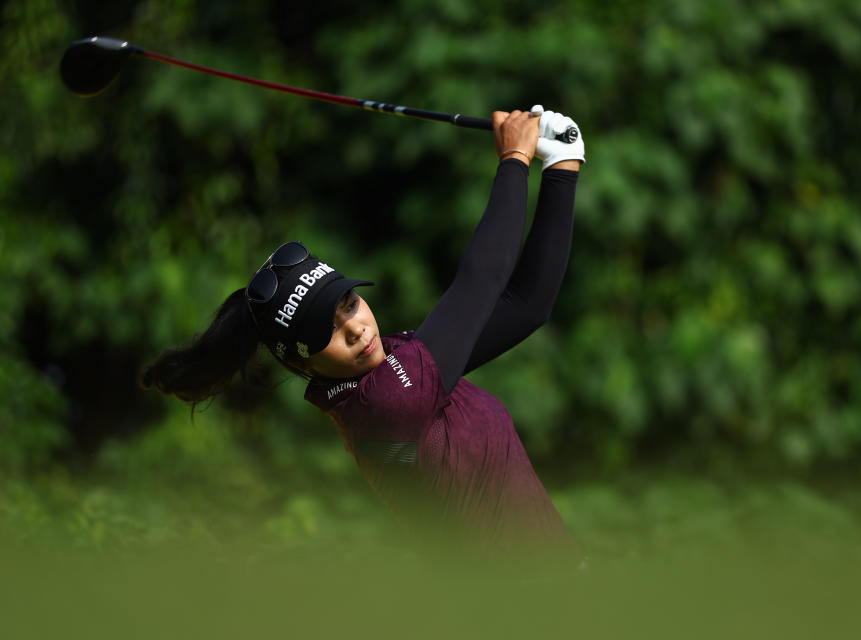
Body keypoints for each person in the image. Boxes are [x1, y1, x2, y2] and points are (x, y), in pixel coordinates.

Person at [142, 106, 585, 565]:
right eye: (325, 331)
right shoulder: (385, 403)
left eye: (348, 303)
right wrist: (514, 158)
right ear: (301, 365)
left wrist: (561, 166)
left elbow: (526, 305)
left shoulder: (397, 362)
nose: (354, 327)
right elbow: (482, 279)